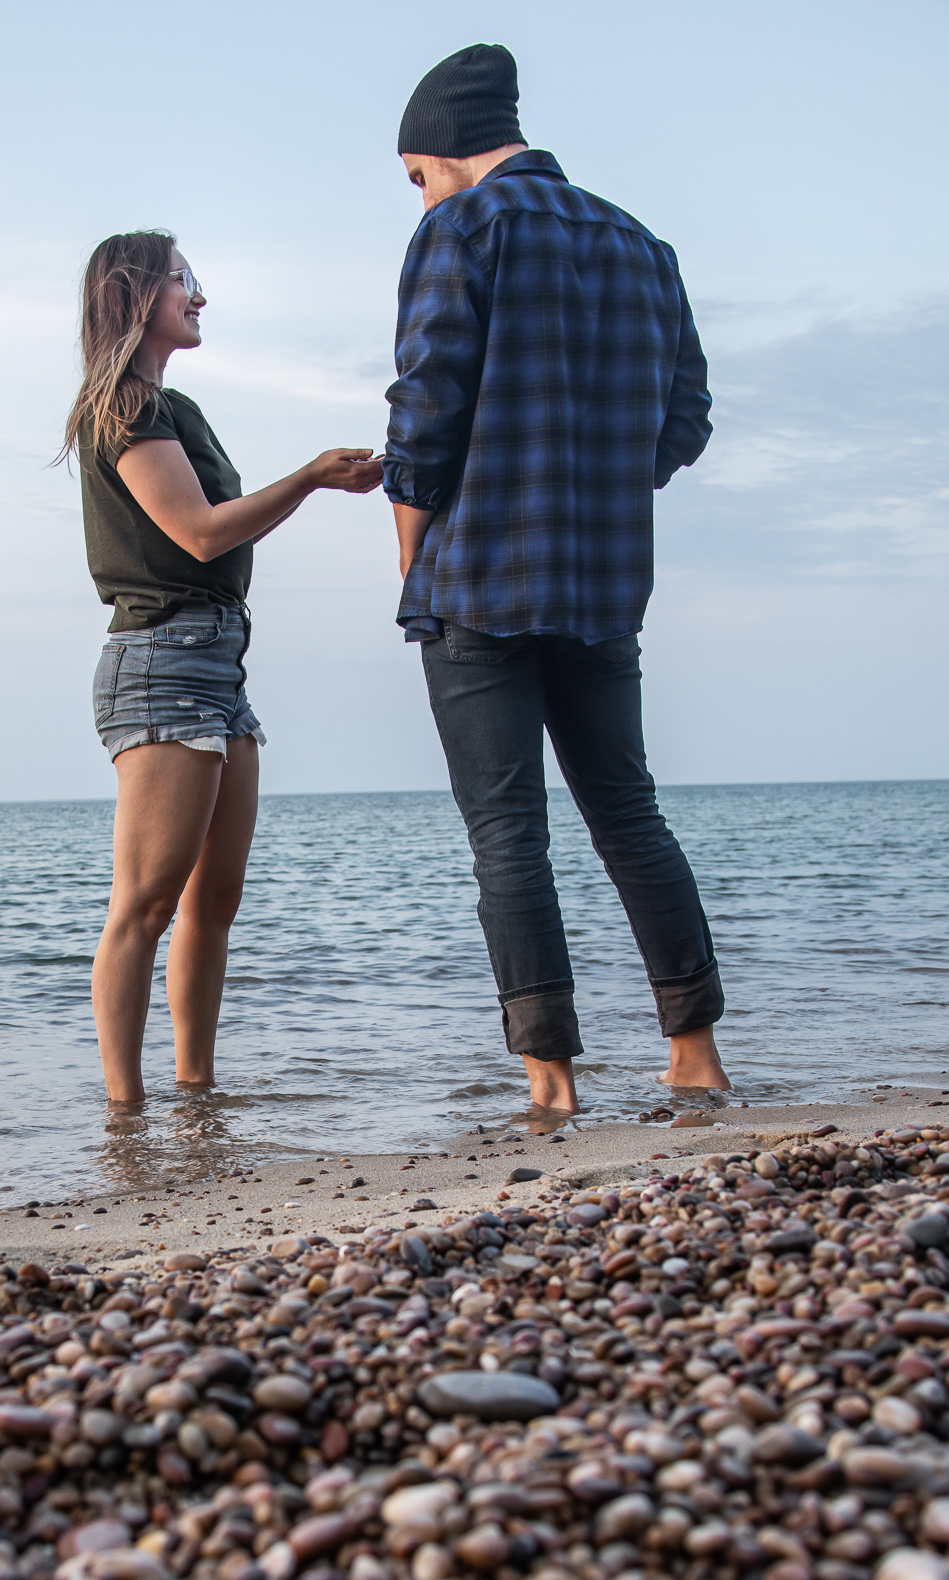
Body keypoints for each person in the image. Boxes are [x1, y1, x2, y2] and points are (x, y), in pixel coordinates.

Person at [383, 45, 730, 1116]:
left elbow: (424, 413)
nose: (420, 192)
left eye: (415, 173)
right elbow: (685, 421)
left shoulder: (462, 227)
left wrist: (412, 558)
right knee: (630, 815)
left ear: (443, 150)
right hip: (603, 584)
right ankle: (698, 1057)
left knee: (507, 833)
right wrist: (601, 487)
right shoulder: (642, 244)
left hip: (477, 576)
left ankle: (553, 1082)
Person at [63, 231, 382, 1106]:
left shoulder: (180, 410)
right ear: (135, 296)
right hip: (160, 659)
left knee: (214, 901)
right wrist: (312, 475)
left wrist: (327, 480)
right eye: (182, 281)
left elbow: (219, 522)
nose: (198, 297)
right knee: (146, 901)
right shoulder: (124, 407)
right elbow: (201, 532)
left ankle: (196, 1093)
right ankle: (125, 1112)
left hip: (217, 663)